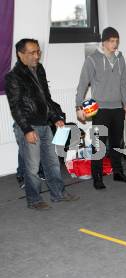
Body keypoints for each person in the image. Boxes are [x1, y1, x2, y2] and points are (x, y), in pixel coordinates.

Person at [5, 38, 79, 210]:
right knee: (31, 167)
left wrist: (55, 117)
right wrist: (27, 129)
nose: (36, 56)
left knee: (52, 163)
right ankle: (34, 200)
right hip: (29, 126)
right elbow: (16, 107)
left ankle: (58, 194)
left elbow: (46, 97)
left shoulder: (40, 70)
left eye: (38, 51)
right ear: (20, 54)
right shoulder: (13, 77)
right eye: (32, 52)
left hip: (45, 124)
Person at [76, 27, 126, 190]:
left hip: (117, 109)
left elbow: (123, 84)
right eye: (111, 41)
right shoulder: (92, 59)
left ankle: (118, 173)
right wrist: (78, 105)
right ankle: (97, 177)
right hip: (100, 109)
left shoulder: (120, 59)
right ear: (104, 41)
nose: (115, 44)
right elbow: (82, 84)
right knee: (99, 145)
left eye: (116, 41)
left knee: (116, 142)